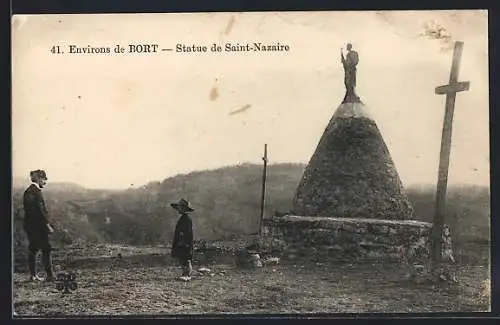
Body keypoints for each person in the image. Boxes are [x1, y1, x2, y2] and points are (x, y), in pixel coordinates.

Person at [23, 169, 55, 282]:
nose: (45, 182)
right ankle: (50, 275)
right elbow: (40, 211)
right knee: (46, 249)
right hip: (39, 226)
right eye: (44, 179)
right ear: (38, 178)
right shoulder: (36, 192)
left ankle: (33, 275)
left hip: (30, 226)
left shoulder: (28, 191)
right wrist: (47, 224)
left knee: (33, 249)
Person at [170, 198, 194, 281]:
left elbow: (187, 233)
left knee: (186, 259)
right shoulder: (183, 219)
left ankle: (187, 274)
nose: (179, 209)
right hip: (182, 242)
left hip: (184, 242)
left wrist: (183, 241)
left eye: (180, 207)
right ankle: (185, 273)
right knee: (182, 258)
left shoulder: (186, 219)